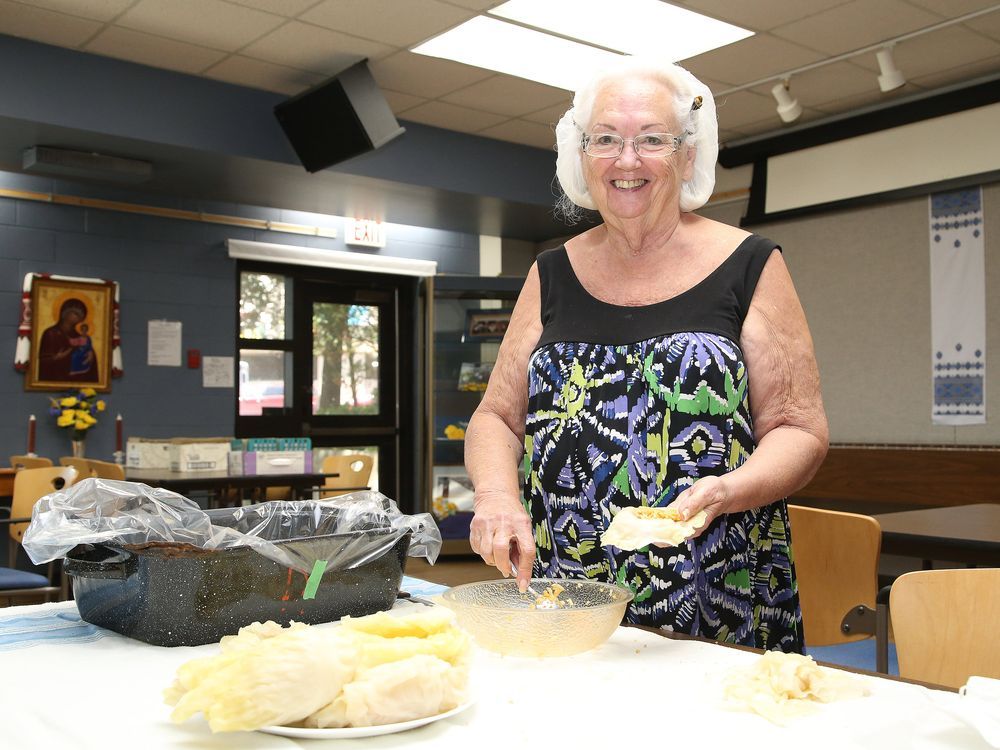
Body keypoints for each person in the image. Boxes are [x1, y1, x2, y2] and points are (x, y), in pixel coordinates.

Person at [464, 57, 828, 653]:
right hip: (572, 594)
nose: (626, 160)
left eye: (651, 140)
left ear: (687, 155)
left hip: (718, 587)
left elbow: (799, 429)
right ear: (582, 156)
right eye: (606, 139)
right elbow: (497, 417)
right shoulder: (550, 273)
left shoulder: (750, 264)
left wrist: (728, 490)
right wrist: (498, 497)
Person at [37, 298, 99, 382]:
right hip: (57, 378)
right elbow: (43, 360)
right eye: (76, 313)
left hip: (78, 379)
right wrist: (56, 358)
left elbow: (86, 350)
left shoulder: (79, 336)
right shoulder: (51, 333)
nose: (79, 318)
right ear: (65, 313)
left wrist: (91, 353)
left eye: (81, 316)